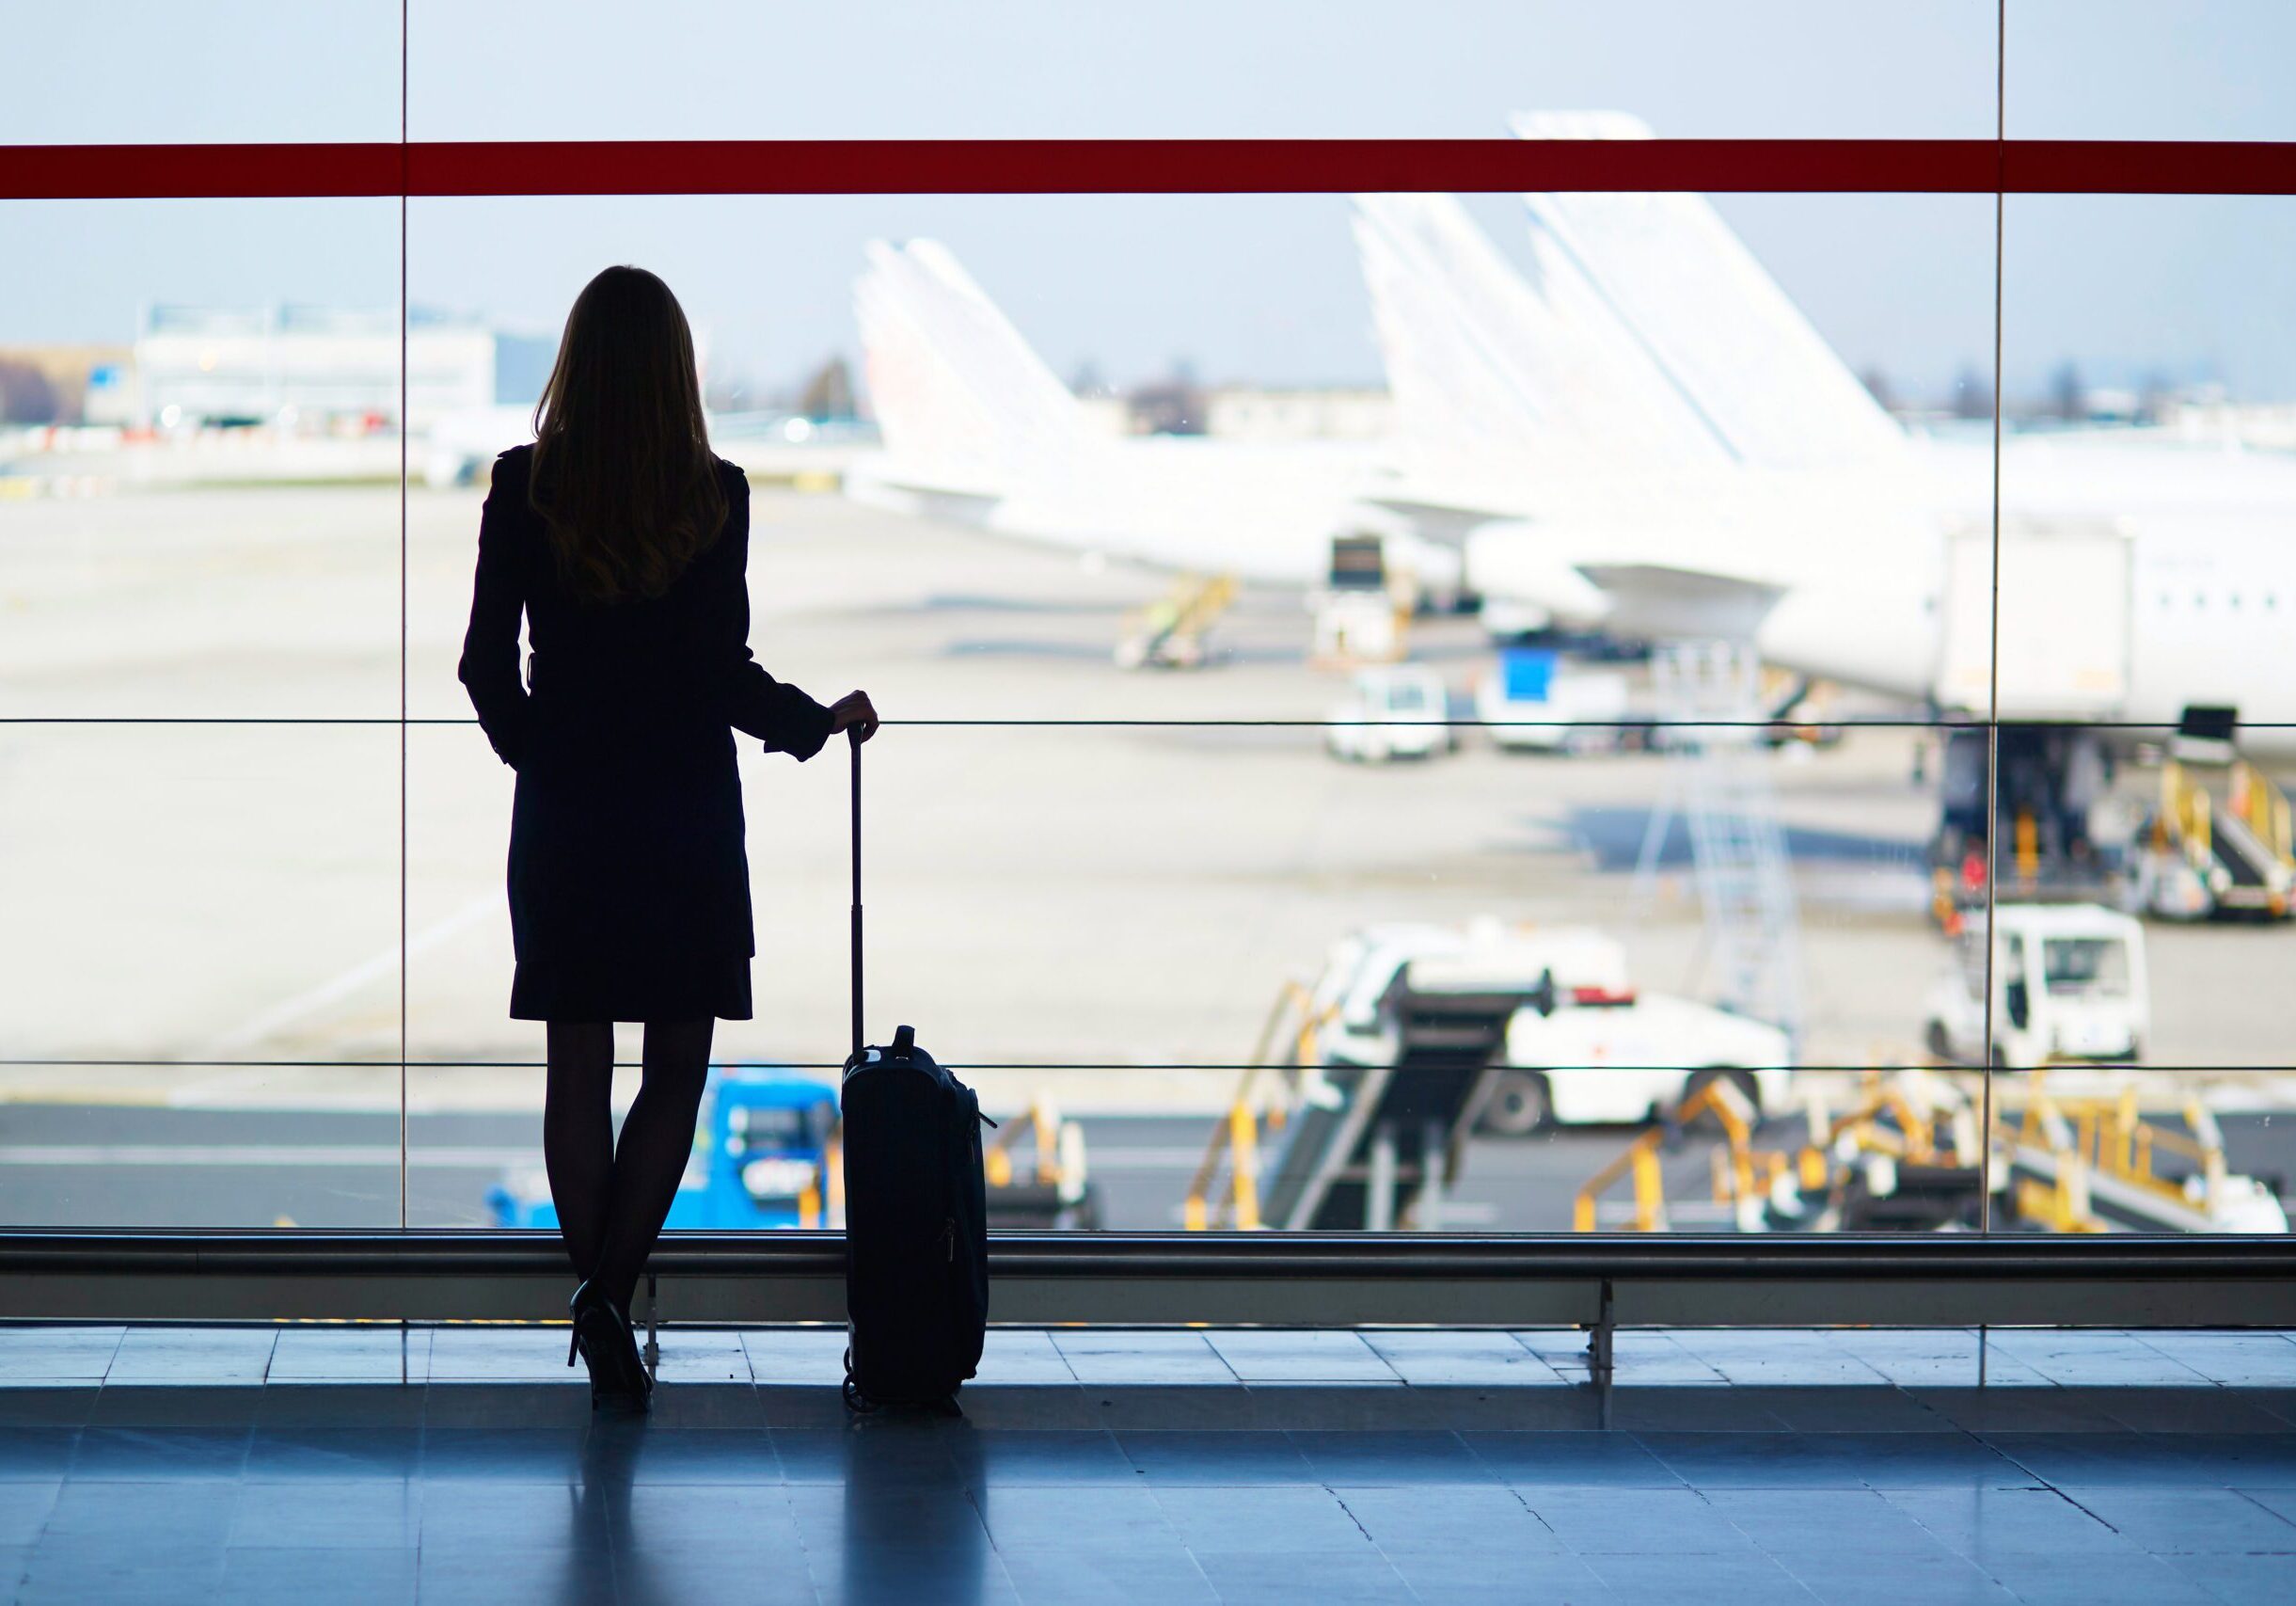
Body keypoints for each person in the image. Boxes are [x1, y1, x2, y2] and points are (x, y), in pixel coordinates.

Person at [458, 265, 877, 1410]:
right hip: (683, 815)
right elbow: (717, 671)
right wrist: (812, 723)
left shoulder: (523, 487)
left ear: (577, 364)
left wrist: (537, 754)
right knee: (675, 1070)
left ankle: (598, 1306)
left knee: (575, 1067)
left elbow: (484, 665)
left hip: (569, 814)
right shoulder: (716, 493)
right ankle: (607, 1298)